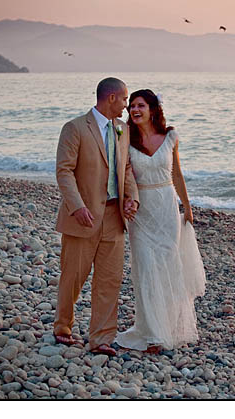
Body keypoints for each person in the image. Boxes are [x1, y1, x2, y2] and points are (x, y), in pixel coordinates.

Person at [53, 77, 140, 356]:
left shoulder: (122, 130)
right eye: (125, 99)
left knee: (110, 279)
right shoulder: (75, 128)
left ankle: (101, 338)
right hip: (83, 216)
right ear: (111, 98)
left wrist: (133, 197)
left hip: (115, 218)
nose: (127, 105)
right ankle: (62, 328)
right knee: (74, 276)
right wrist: (76, 206)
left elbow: (126, 168)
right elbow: (64, 171)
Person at [115, 89, 206, 353]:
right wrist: (125, 202)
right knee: (145, 267)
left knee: (169, 265)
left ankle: (170, 326)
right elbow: (122, 176)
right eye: (131, 105)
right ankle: (152, 332)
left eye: (140, 105)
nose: (134, 109)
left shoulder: (170, 137)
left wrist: (187, 207)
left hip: (167, 208)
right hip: (141, 211)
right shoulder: (126, 139)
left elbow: (177, 174)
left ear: (153, 109)